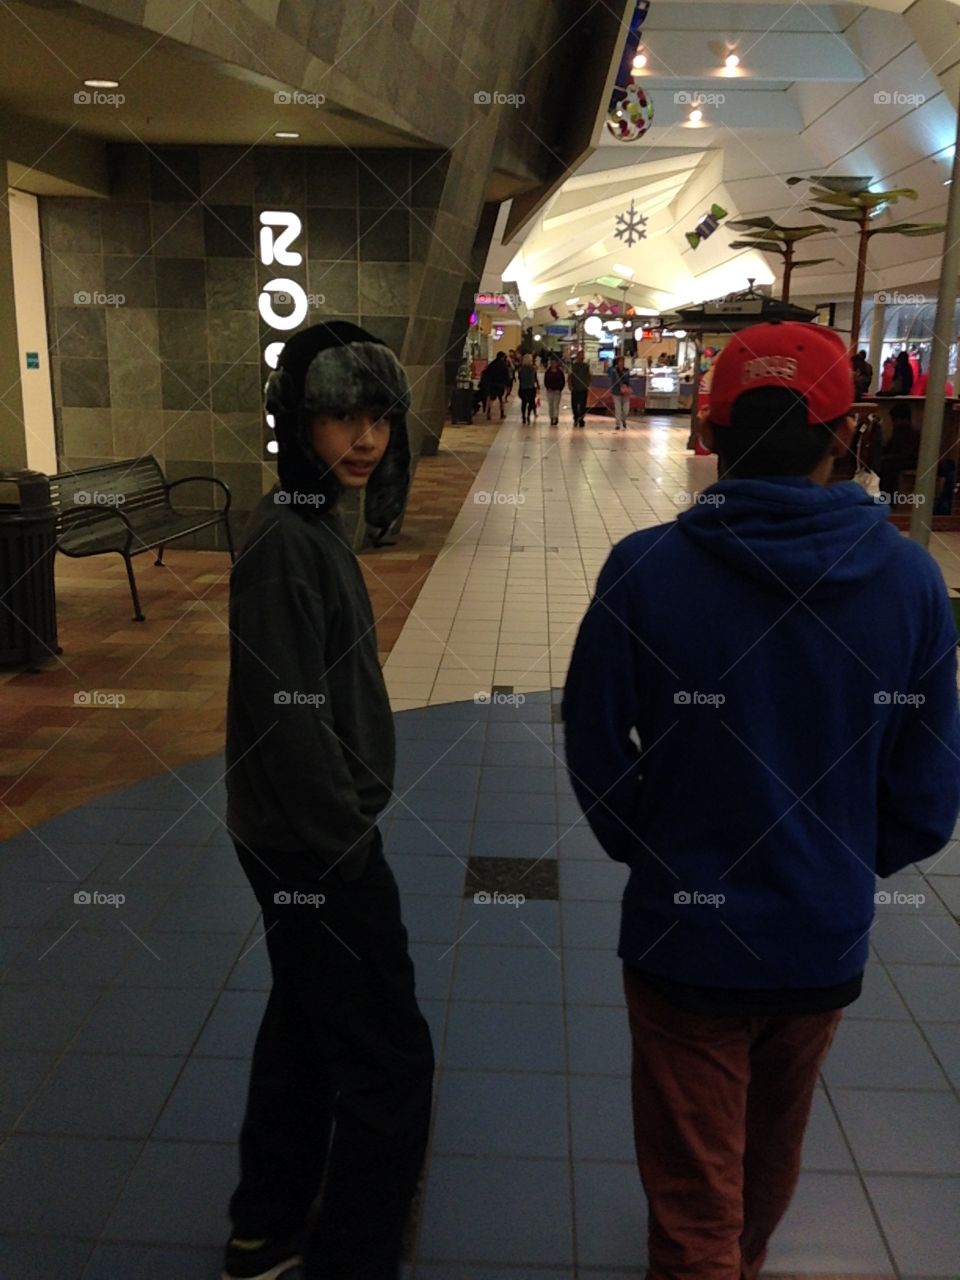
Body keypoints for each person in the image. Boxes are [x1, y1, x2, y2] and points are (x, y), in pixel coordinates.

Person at [562, 320, 960, 1280]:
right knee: (771, 1149)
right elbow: (930, 788)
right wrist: (845, 860)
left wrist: (649, 846)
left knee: (693, 1190)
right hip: (818, 936)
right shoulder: (910, 580)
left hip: (682, 936)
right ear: (845, 432)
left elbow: (591, 740)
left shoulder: (645, 569)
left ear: (715, 432)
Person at [224, 321, 435, 1280]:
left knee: (305, 1027)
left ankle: (264, 1228)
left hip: (300, 837)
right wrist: (347, 846)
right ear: (296, 423)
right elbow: (288, 716)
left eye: (378, 421)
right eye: (341, 418)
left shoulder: (310, 531)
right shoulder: (285, 545)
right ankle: (354, 1257)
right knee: (390, 1057)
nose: (363, 440)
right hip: (314, 848)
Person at [485, 351, 511, 419]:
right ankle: (502, 413)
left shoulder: (492, 364)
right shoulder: (503, 365)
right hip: (500, 384)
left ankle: (488, 412)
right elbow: (506, 375)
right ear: (502, 357)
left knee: (491, 399)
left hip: (492, 384)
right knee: (501, 399)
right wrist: (508, 385)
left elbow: (487, 373)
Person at [569, 349, 592, 428]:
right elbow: (570, 376)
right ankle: (576, 417)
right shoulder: (574, 366)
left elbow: (589, 375)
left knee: (583, 405)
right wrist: (570, 385)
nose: (582, 357)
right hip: (575, 388)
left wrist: (588, 384)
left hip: (583, 388)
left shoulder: (586, 366)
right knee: (574, 404)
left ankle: (581, 418)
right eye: (580, 355)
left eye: (583, 356)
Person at [610, 354, 632, 430]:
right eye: (620, 361)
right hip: (616, 392)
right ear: (617, 362)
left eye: (623, 361)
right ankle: (617, 424)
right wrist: (620, 385)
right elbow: (613, 381)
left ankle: (623, 419)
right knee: (618, 408)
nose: (622, 362)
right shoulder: (614, 371)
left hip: (625, 392)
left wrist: (626, 386)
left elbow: (629, 380)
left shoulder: (626, 370)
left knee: (626, 409)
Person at [517, 352, 539, 424]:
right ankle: (528, 415)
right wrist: (538, 386)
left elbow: (519, 378)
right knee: (531, 402)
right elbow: (535, 378)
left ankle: (523, 416)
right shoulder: (533, 369)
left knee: (523, 403)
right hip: (531, 387)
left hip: (523, 387)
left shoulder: (521, 369)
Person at [544, 356, 565, 426]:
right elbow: (545, 381)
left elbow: (563, 381)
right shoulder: (548, 372)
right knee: (550, 405)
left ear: (556, 364)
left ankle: (555, 417)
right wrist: (547, 387)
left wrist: (560, 389)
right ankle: (551, 417)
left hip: (557, 391)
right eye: (552, 363)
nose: (553, 364)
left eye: (554, 363)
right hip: (550, 391)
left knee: (556, 405)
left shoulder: (560, 372)